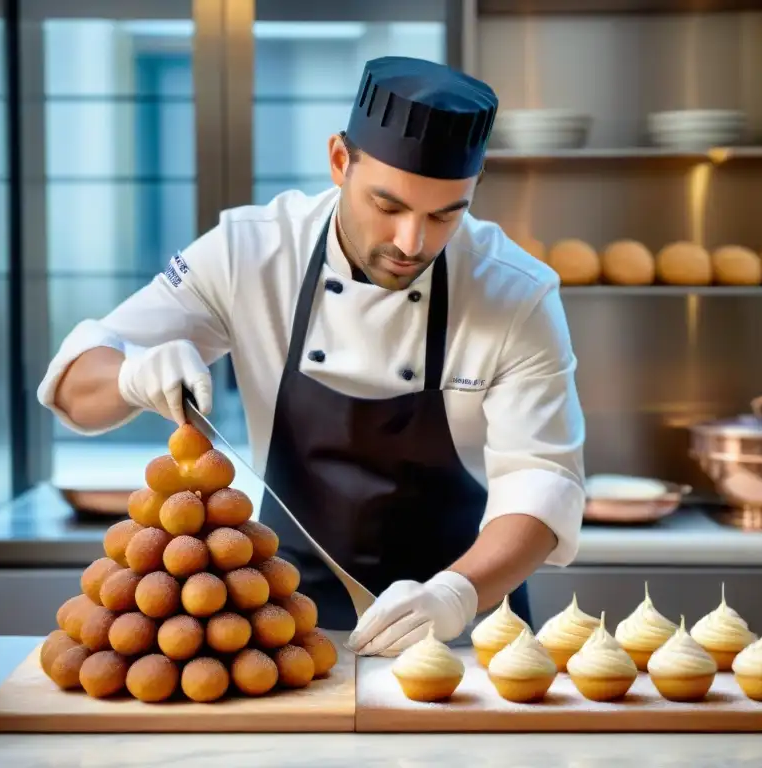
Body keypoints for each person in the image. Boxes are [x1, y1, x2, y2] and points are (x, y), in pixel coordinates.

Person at [37, 56, 586, 657]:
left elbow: (542, 481)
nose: (412, 243)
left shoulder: (516, 292)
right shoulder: (251, 251)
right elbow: (74, 393)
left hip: (470, 630)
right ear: (339, 161)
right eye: (389, 206)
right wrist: (132, 375)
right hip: (278, 627)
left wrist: (454, 595)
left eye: (443, 215)